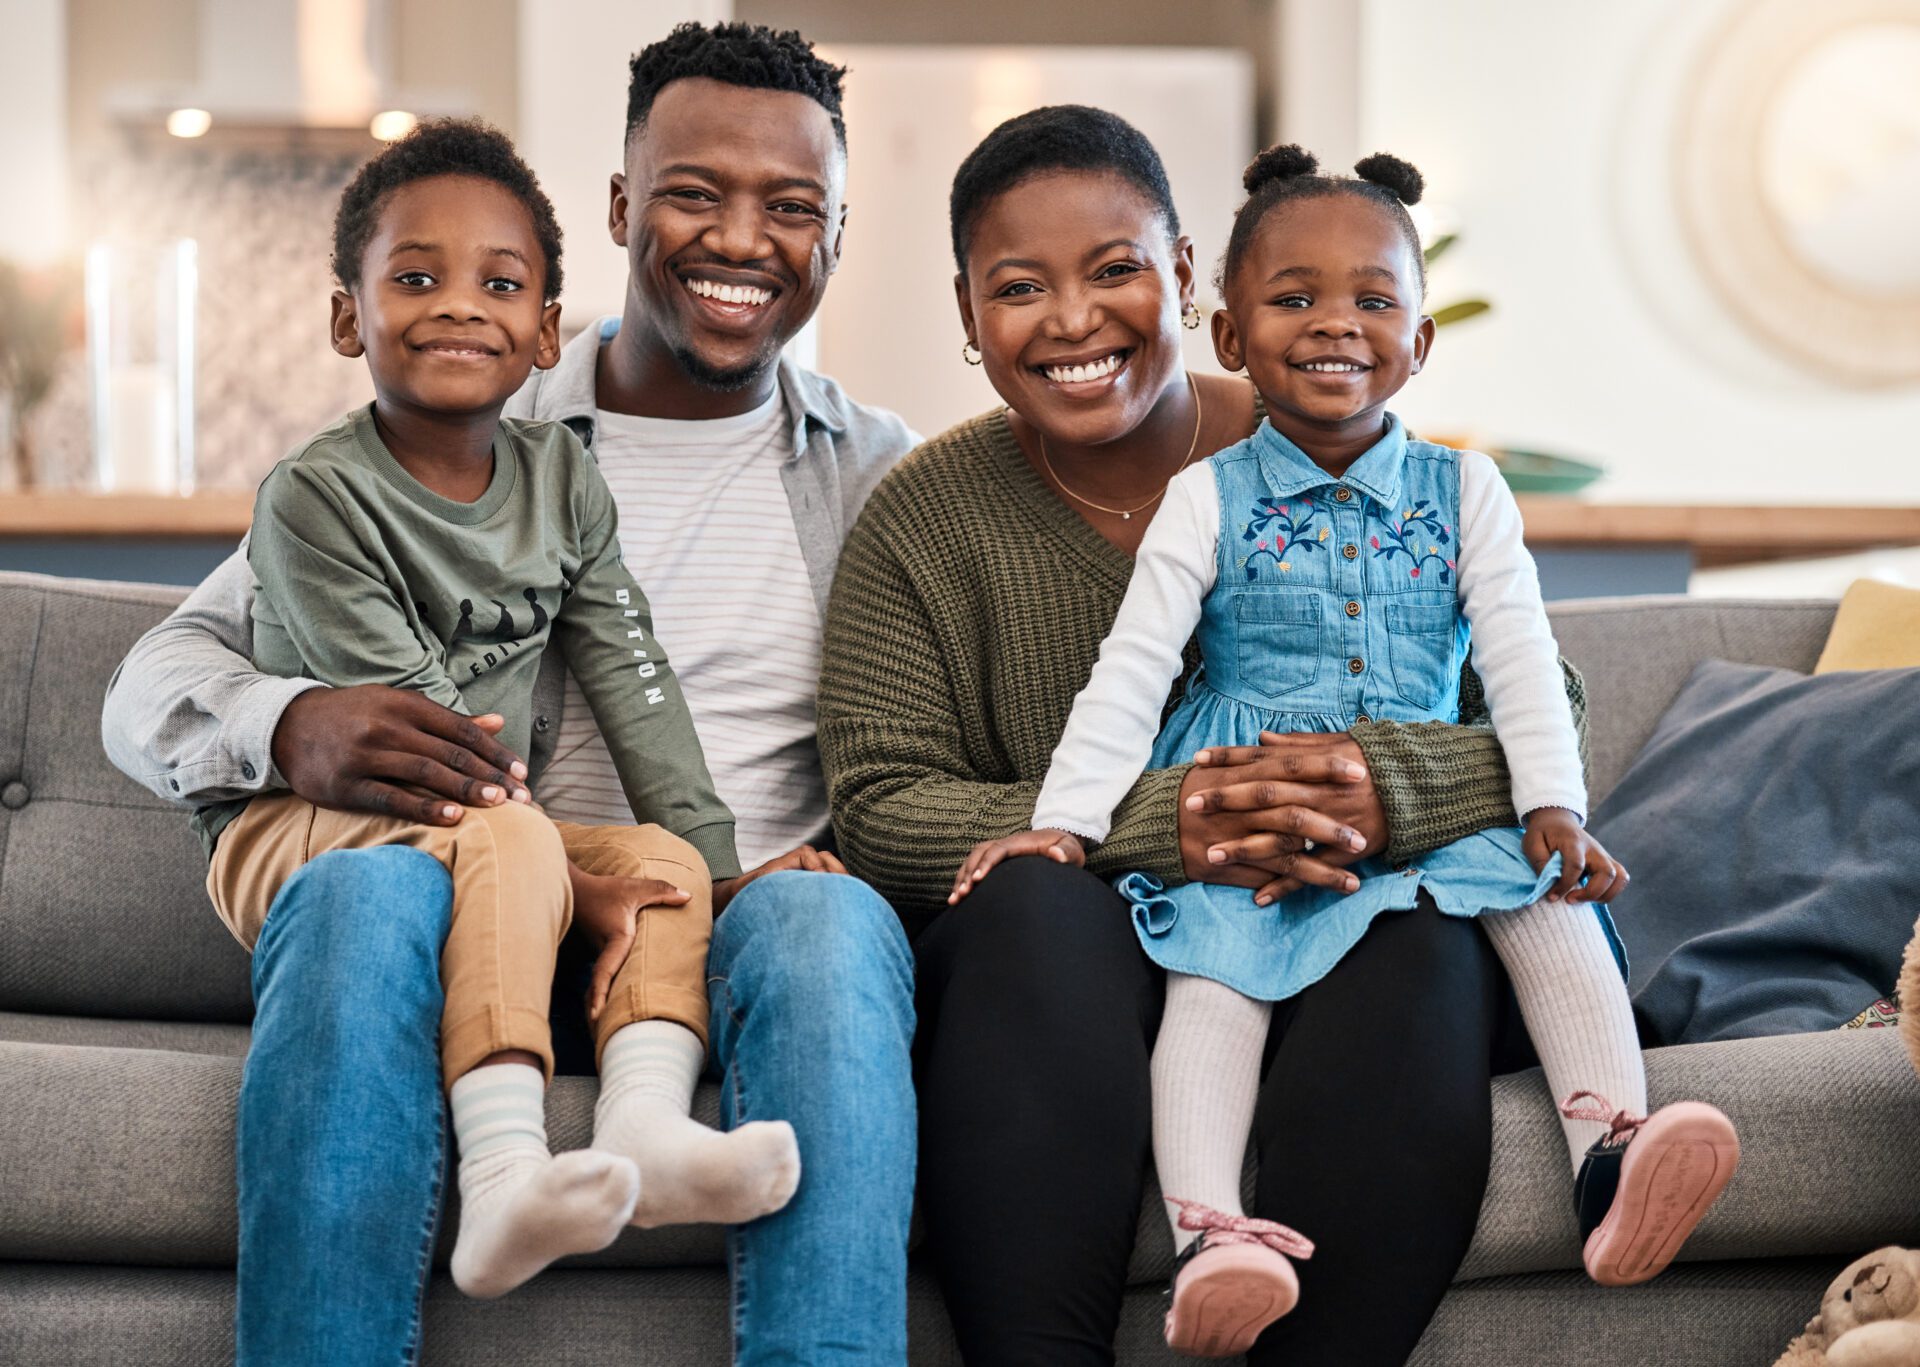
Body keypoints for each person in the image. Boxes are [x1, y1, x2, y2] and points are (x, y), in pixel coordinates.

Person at [102, 23, 916, 1365]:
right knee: (365, 887)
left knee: (827, 921)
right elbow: (157, 679)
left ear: (834, 235)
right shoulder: (461, 420)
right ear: (619, 211)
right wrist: (289, 721)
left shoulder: (877, 472)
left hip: (725, 914)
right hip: (452, 902)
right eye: (694, 194)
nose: (740, 240)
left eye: (792, 207)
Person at [817, 105, 1595, 1366]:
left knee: (1422, 938)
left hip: (1354, 926)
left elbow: (1544, 707)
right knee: (1029, 913)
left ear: (1185, 279)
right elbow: (881, 801)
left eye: (1116, 269)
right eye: (1020, 288)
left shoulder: (1332, 430)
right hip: (1084, 966)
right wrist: (1156, 822)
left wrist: (1381, 786)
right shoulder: (924, 516)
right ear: (968, 317)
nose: (1074, 320)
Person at [950, 143, 1740, 1355]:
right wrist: (1071, 821)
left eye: (1375, 300)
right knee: (1219, 982)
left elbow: (1522, 655)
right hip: (1249, 783)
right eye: (1294, 297)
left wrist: (1553, 802)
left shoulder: (1466, 489)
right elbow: (1132, 669)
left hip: (1426, 790)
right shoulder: (1207, 498)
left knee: (1550, 912)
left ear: (1420, 342)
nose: (1337, 324)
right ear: (1230, 333)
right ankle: (1216, 1234)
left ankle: (1612, 1155)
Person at [203, 118, 809, 1302]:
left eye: (501, 282)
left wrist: (723, 865)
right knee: (510, 825)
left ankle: (641, 1121)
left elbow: (632, 672)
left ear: (545, 332)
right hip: (297, 825)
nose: (457, 305)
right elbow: (425, 729)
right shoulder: (313, 497)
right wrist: (551, 868)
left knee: (662, 856)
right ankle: (501, 1173)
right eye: (415, 278)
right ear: (348, 318)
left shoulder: (562, 480)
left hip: (483, 817)